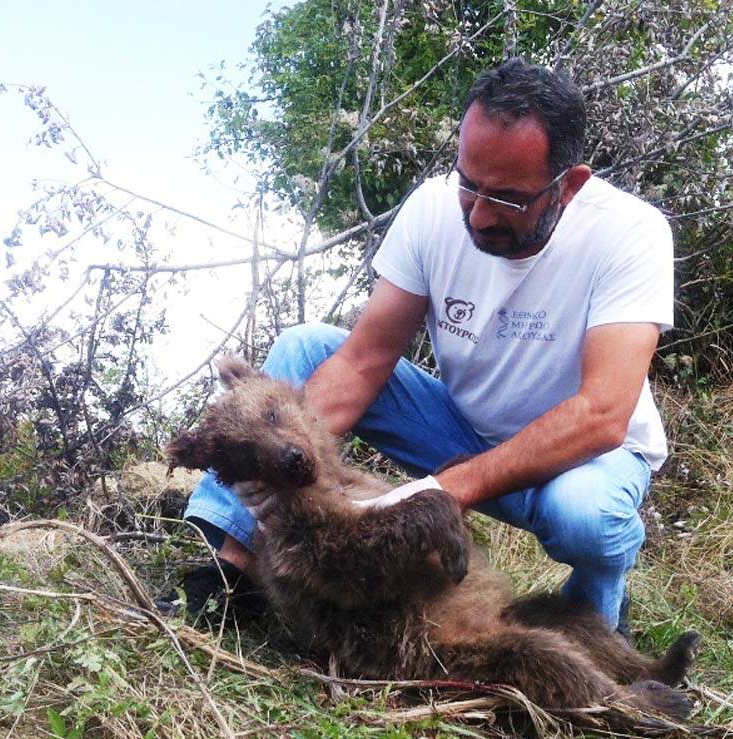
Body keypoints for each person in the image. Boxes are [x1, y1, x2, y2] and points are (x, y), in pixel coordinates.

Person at [162, 57, 674, 636]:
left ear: (570, 185)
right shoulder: (433, 210)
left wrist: (440, 493)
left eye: (506, 198)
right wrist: (298, 471)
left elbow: (603, 413)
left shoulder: (630, 233)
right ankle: (226, 576)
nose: (478, 216)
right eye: (469, 185)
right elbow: (363, 361)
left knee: (586, 516)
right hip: (458, 428)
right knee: (305, 349)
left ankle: (596, 608)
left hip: (581, 456)